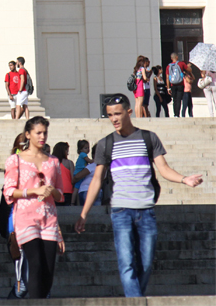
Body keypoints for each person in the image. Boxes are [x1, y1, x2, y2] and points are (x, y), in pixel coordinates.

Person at [74, 93, 203, 297]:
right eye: (109, 115)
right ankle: (136, 302)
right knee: (126, 263)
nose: (114, 119)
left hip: (146, 210)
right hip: (121, 211)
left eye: (117, 113)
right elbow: (97, 179)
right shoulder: (106, 144)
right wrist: (84, 213)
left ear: (129, 112)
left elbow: (164, 168)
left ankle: (135, 298)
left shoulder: (148, 138)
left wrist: (184, 179)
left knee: (146, 263)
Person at [3, 117, 64, 299]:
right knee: (35, 265)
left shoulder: (53, 161)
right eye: (38, 132)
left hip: (49, 220)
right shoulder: (16, 160)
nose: (42, 136)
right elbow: (9, 192)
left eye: (45, 132)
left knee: (48, 271)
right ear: (28, 134)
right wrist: (33, 190)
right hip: (26, 218)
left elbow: (61, 194)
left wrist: (52, 191)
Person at [166, 53, 188, 118]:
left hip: (173, 85)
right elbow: (188, 69)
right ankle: (177, 114)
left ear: (171, 58)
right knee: (179, 99)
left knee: (174, 100)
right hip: (180, 84)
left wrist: (168, 88)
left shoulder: (168, 66)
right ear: (177, 57)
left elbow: (167, 78)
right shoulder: (181, 64)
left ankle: (175, 114)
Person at [72, 140, 94, 205]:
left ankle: (77, 203)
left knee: (78, 189)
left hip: (81, 173)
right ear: (81, 149)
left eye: (88, 148)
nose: (88, 149)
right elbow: (89, 161)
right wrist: (95, 160)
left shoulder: (82, 154)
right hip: (79, 173)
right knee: (76, 189)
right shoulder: (83, 154)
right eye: (85, 148)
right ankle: (72, 202)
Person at [52, 142, 74, 206]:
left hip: (56, 191)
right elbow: (73, 178)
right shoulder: (69, 163)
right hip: (68, 190)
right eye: (67, 150)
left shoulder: (52, 162)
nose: (68, 153)